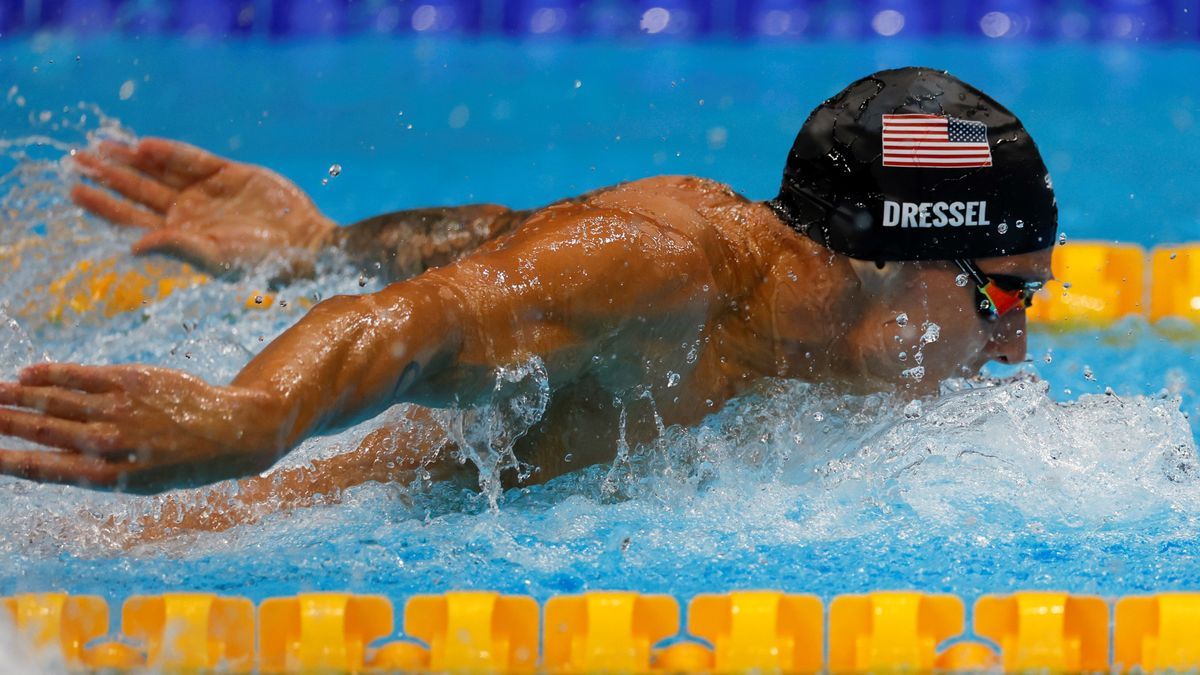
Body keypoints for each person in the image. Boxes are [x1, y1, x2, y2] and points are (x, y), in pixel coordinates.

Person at [0, 68, 1056, 518]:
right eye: (1006, 301)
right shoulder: (672, 263)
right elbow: (418, 324)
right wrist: (251, 416)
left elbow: (502, 248)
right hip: (204, 529)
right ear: (901, 260)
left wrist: (321, 244)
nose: (1013, 351)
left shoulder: (832, 339)